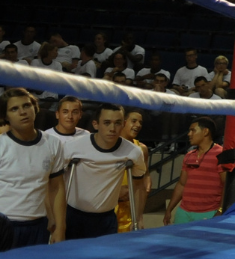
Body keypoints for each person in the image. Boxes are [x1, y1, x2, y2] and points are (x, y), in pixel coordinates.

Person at [62, 104, 147, 240]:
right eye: (107, 123)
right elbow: (56, 182)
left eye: (117, 123)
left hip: (107, 219)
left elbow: (138, 186)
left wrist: (138, 219)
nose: (112, 129)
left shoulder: (133, 152)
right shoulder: (74, 147)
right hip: (74, 216)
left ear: (123, 124)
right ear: (96, 124)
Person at [0, 88, 68, 247]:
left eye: (26, 105)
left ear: (35, 107)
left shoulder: (53, 143)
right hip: (4, 224)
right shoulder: (2, 145)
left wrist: (60, 227)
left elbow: (57, 187)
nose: (22, 112)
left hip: (39, 225)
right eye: (14, 109)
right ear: (5, 116)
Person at [164, 117, 231, 225]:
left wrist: (220, 210)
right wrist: (169, 209)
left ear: (205, 131)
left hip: (209, 213)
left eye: (193, 130)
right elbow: (181, 184)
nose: (189, 134)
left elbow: (226, 184)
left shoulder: (221, 154)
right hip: (183, 213)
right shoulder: (189, 155)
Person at [115, 109, 150, 232]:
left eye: (140, 122)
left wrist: (139, 217)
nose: (138, 125)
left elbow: (145, 177)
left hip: (130, 209)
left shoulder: (141, 149)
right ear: (123, 122)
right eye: (134, 121)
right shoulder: (109, 144)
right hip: (108, 207)